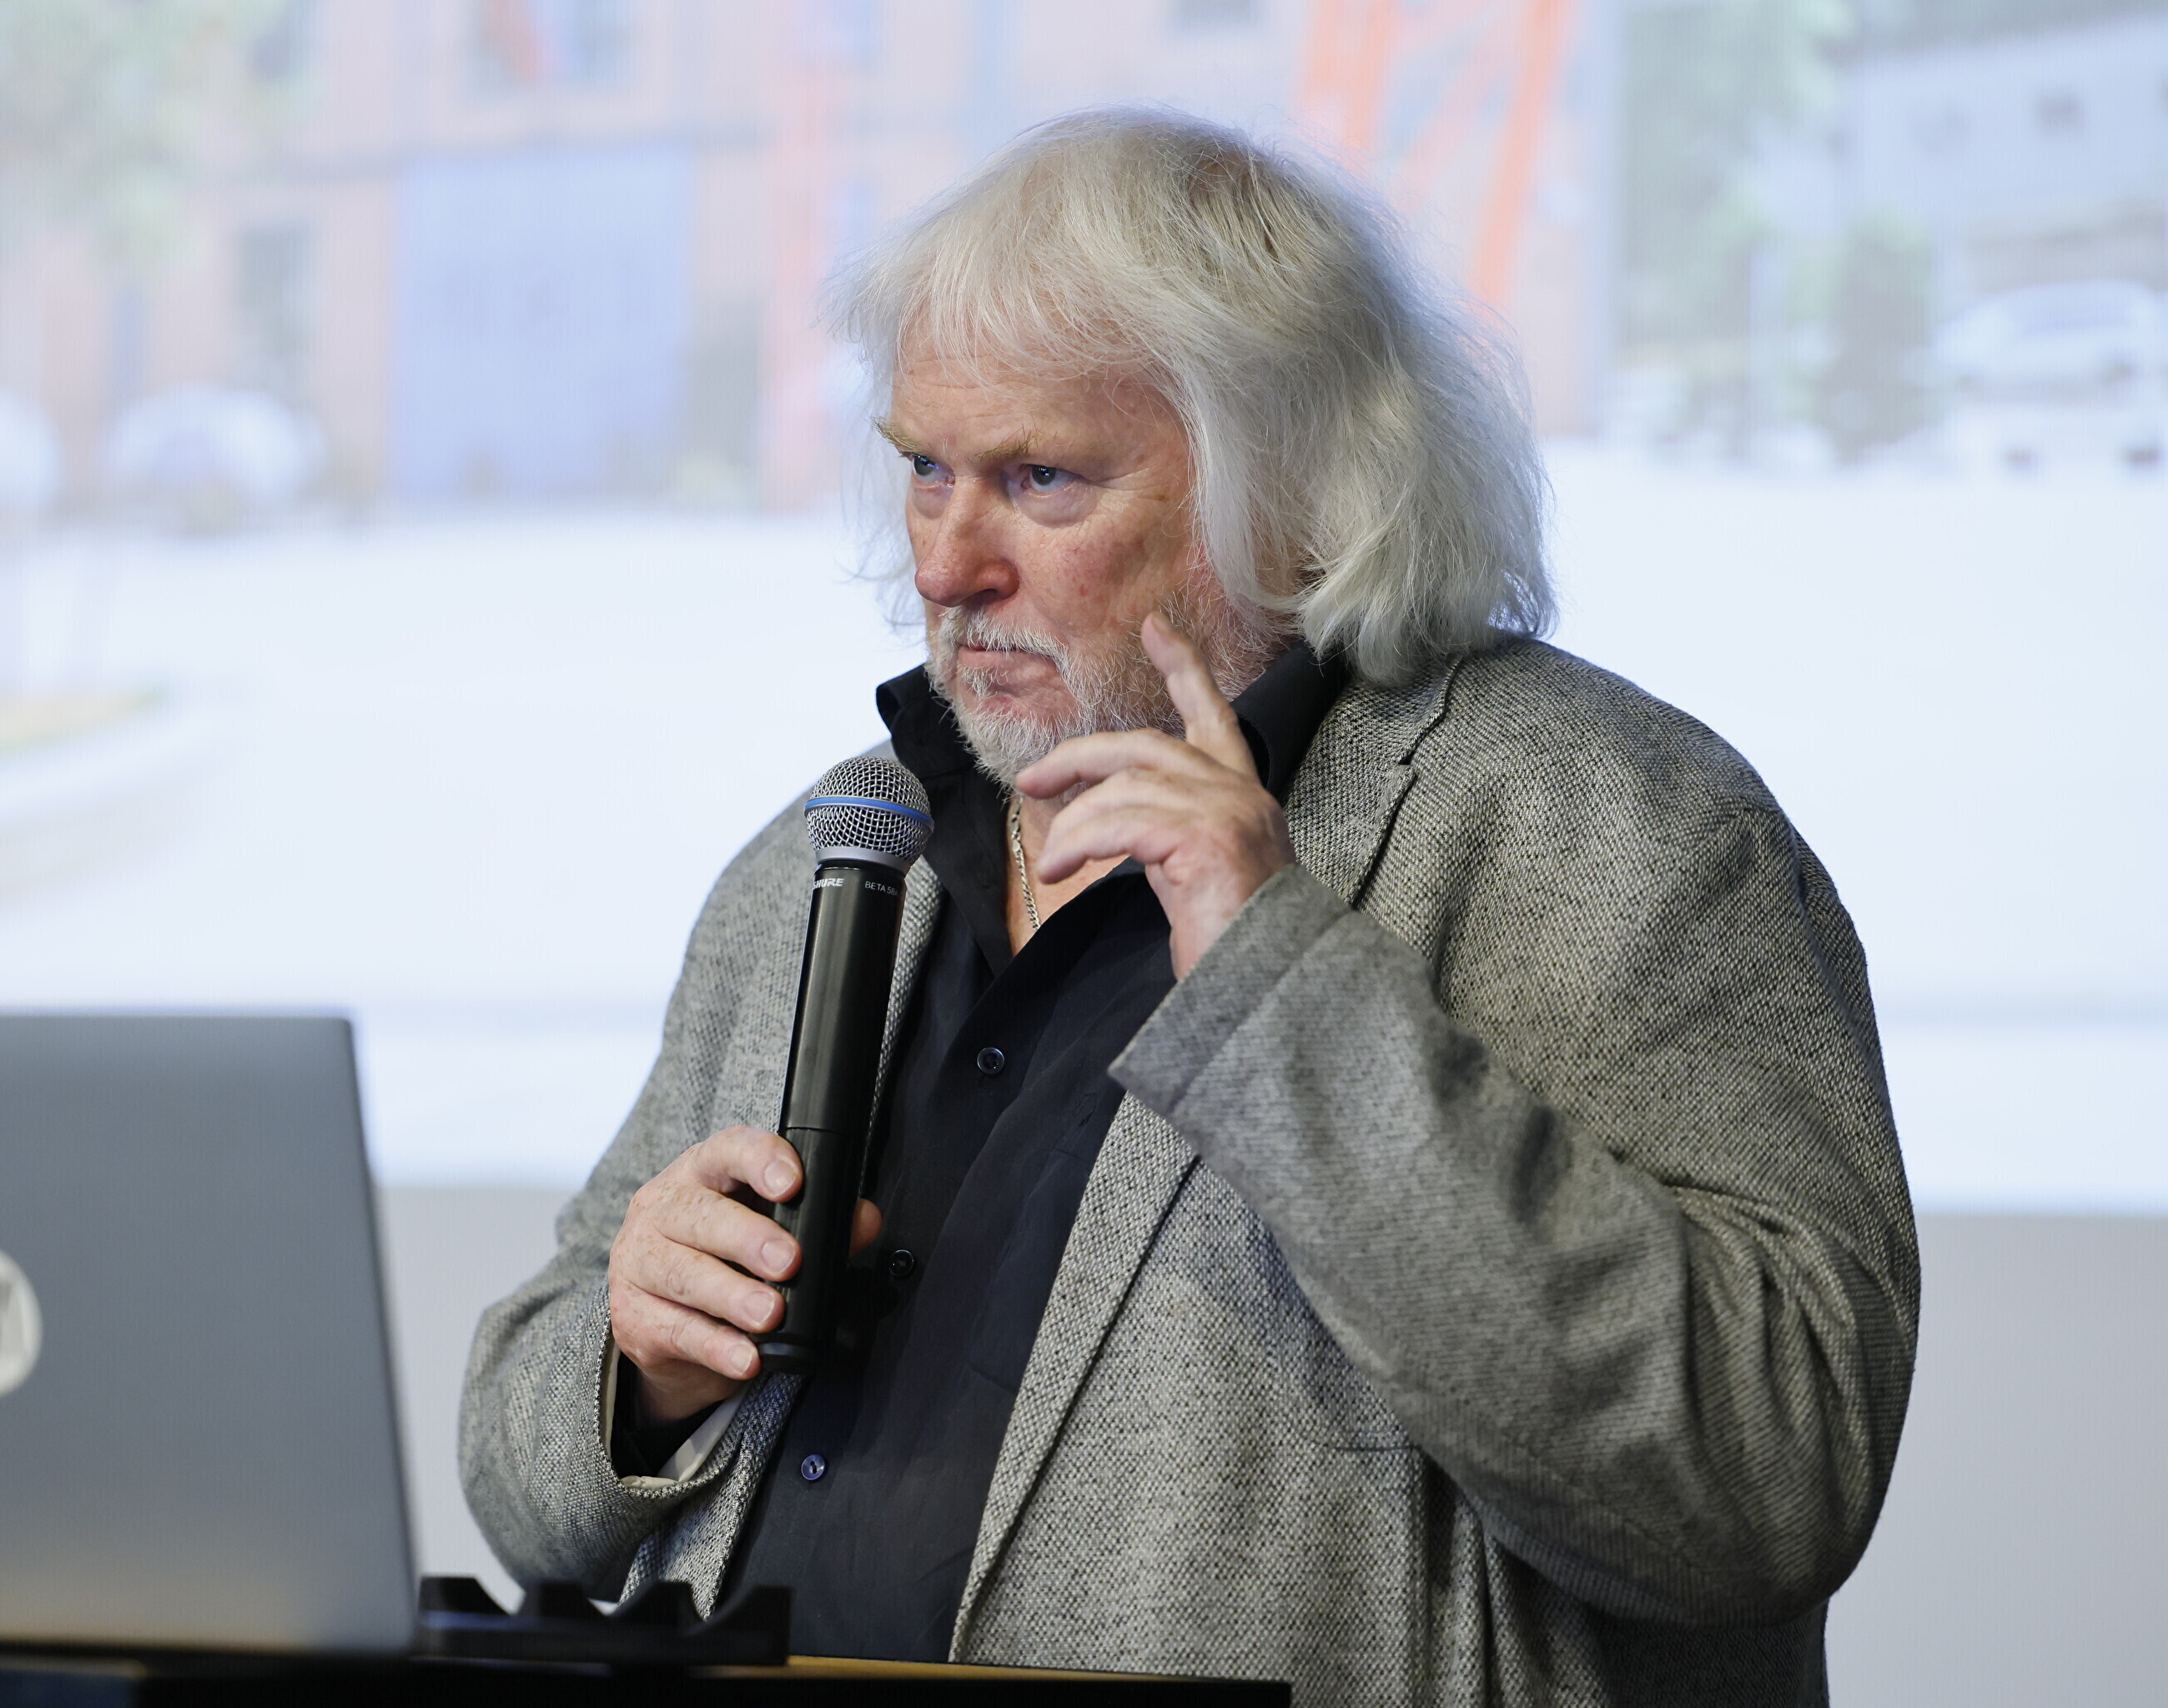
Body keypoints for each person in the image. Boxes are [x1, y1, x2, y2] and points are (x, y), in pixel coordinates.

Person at [460, 108, 1916, 1707]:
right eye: (927, 468)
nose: (945, 564)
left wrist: (1284, 988)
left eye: (1039, 479)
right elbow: (519, 1489)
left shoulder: (1607, 823)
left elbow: (1768, 1483)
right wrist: (638, 1371)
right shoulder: (834, 851)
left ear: (1291, 489)